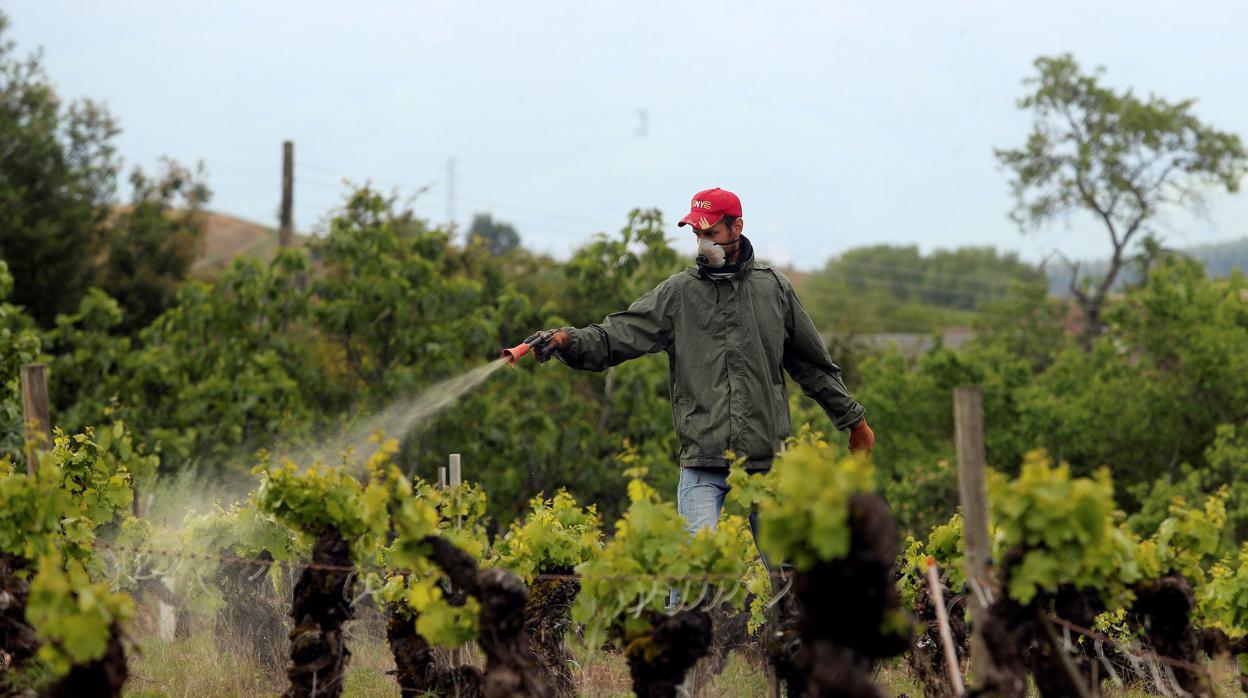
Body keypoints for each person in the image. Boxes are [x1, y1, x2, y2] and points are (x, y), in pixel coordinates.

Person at [520, 187, 874, 559]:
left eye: (712, 233)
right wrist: (566, 339)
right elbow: (617, 336)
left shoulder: (773, 289)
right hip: (703, 457)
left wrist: (854, 420)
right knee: (692, 572)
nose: (703, 243)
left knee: (789, 576)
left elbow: (814, 366)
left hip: (766, 458)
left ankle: (789, 620)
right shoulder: (679, 293)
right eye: (697, 234)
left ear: (737, 227)